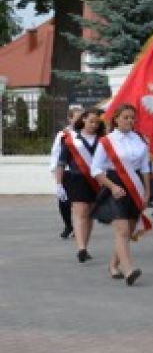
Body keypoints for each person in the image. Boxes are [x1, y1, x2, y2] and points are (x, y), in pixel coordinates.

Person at [91, 104, 151, 286]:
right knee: (122, 230)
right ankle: (129, 270)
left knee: (129, 231)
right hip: (114, 186)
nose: (130, 121)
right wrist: (112, 186)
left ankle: (113, 265)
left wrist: (147, 192)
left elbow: (146, 167)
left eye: (132, 118)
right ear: (116, 119)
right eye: (126, 117)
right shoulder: (106, 141)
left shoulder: (139, 139)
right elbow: (95, 169)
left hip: (135, 186)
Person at [55, 108, 105, 262]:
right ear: (83, 119)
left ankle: (85, 246)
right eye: (91, 121)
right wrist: (58, 184)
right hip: (76, 179)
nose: (94, 125)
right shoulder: (70, 138)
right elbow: (61, 162)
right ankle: (81, 248)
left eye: (97, 122)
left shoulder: (103, 139)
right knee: (81, 211)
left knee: (89, 213)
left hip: (96, 180)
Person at [51, 108, 84, 239]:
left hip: (81, 173)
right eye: (77, 117)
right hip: (66, 172)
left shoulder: (87, 134)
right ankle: (68, 225)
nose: (80, 120)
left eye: (82, 117)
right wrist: (56, 175)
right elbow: (56, 155)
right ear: (70, 119)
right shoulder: (63, 135)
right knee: (64, 201)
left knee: (79, 203)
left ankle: (78, 227)